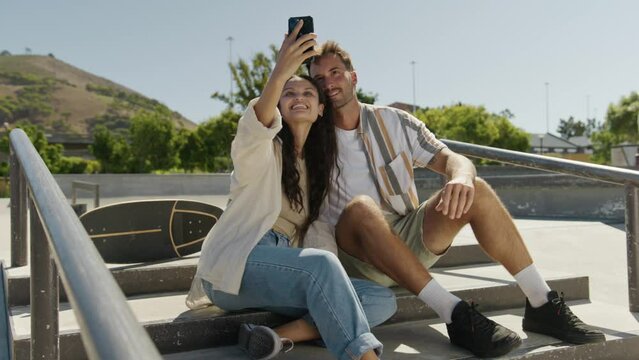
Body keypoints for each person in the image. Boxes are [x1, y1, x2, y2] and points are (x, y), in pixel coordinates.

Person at [306, 41, 605, 358]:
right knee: (361, 209)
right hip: (355, 255)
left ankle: (541, 303)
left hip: (405, 236)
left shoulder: (393, 122)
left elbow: (453, 159)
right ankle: (454, 313)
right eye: (319, 79)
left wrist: (461, 177)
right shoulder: (306, 132)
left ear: (353, 77)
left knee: (479, 189)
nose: (328, 83)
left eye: (335, 73)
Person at [185, 23, 396, 360]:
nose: (298, 98)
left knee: (381, 299)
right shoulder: (262, 151)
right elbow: (254, 127)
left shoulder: (317, 169)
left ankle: (274, 337)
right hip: (239, 263)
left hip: (288, 268)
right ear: (280, 107)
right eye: (289, 93)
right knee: (324, 267)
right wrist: (281, 70)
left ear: (321, 109)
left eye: (308, 94)